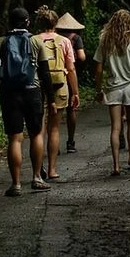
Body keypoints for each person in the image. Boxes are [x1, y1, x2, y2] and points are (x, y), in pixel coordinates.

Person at [0, 7, 52, 197]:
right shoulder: (36, 40)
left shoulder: (1, 41)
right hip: (32, 91)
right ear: (28, 22)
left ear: (10, 22)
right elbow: (45, 72)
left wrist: (2, 74)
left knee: (15, 137)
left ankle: (16, 184)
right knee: (36, 134)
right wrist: (51, 98)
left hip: (10, 93)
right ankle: (37, 178)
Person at [93, 9, 130, 175]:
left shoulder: (105, 40)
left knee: (115, 127)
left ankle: (116, 166)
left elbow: (98, 69)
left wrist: (98, 90)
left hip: (113, 87)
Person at [33, 7, 79, 181]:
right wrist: (75, 92)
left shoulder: (33, 40)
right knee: (54, 128)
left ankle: (38, 169)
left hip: (38, 87)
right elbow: (71, 69)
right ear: (55, 23)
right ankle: (52, 169)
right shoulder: (64, 41)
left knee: (39, 130)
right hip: (60, 86)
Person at [56, 11, 87, 153]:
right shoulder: (75, 38)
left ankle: (53, 143)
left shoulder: (53, 38)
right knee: (71, 109)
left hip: (53, 76)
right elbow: (81, 57)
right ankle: (70, 142)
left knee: (53, 111)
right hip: (69, 75)